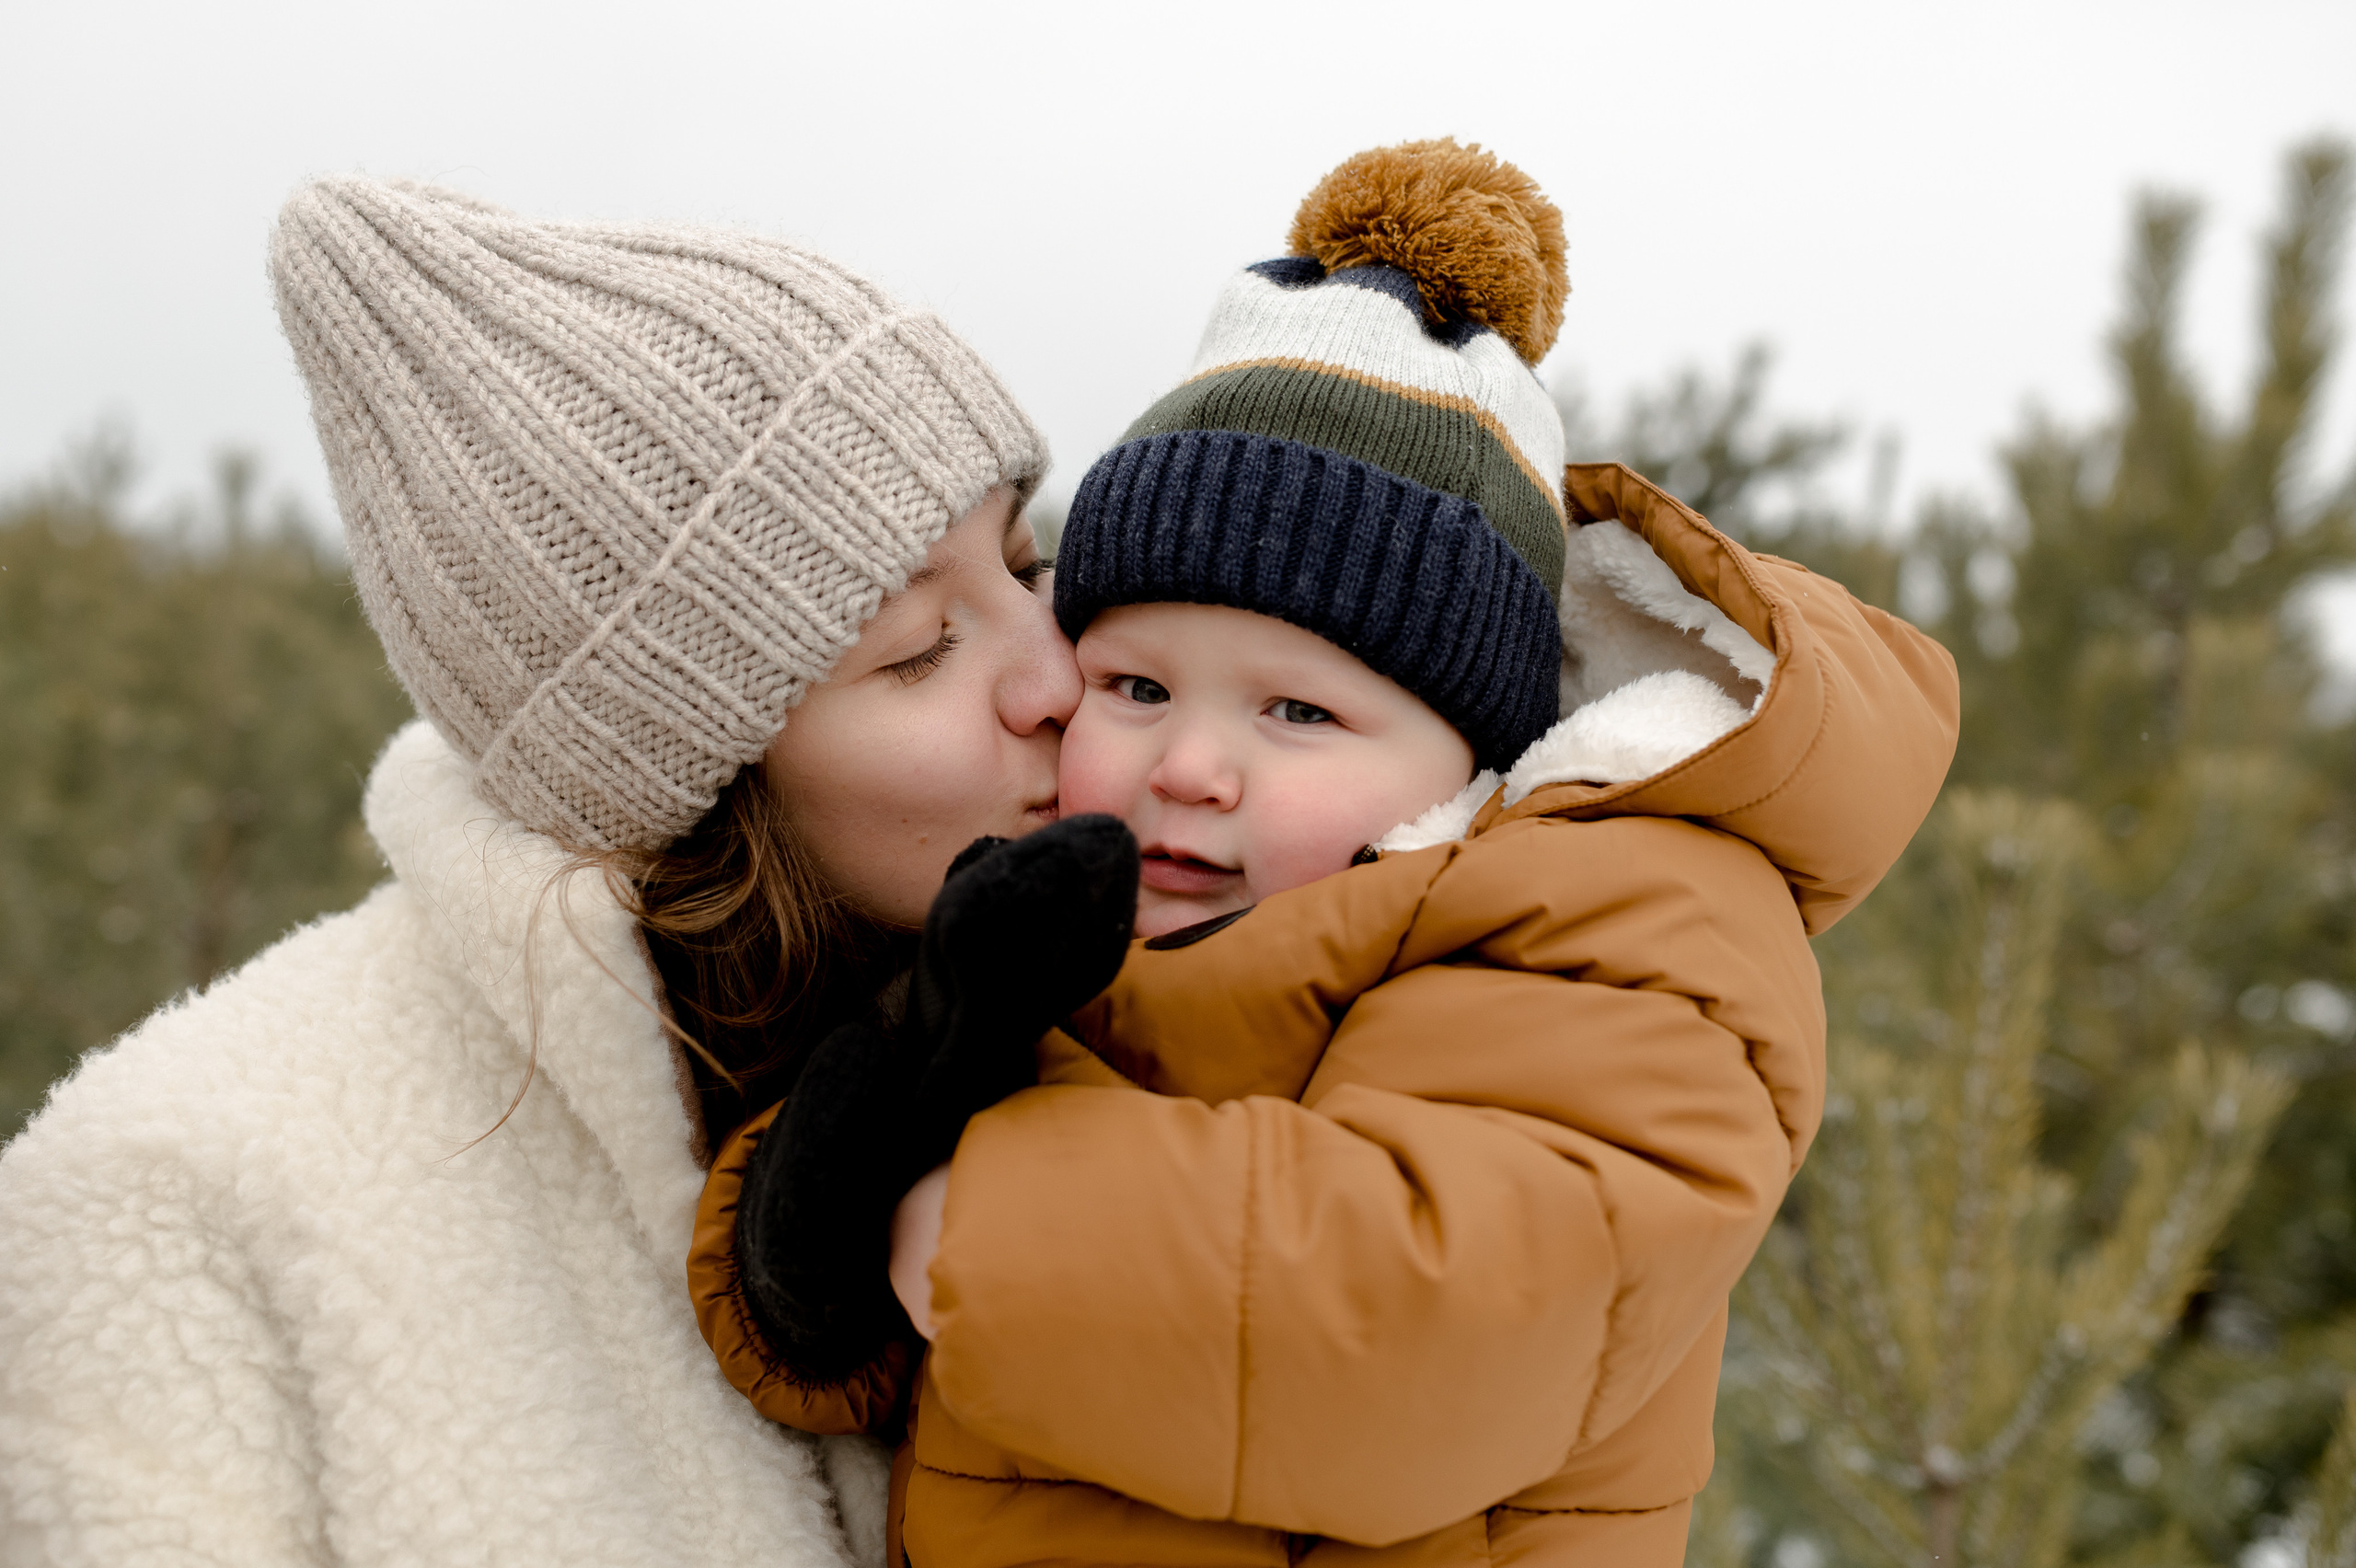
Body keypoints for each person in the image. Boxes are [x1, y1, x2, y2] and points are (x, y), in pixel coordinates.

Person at [687, 142, 1962, 1567]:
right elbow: (882, 1329)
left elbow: (1434, 1320)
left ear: (1470, 757)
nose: (1190, 766)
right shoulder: (1102, 933)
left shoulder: (1623, 932)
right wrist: (818, 1217)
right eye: (1137, 688)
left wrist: (968, 1224)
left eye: (1298, 711)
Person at [0, 175, 1070, 1567]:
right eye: (924, 646)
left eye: (1030, 563)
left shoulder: (1184, 1048)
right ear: (682, 768)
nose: (1059, 675)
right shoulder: (177, 1216)